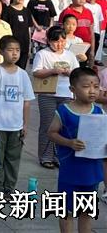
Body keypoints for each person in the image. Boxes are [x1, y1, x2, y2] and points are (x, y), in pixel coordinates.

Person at [47, 67, 105, 233]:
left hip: (92, 172)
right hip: (70, 171)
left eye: (96, 86)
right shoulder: (64, 111)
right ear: (72, 89)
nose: (92, 91)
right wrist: (69, 142)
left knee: (86, 211)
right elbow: (51, 133)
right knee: (66, 211)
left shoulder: (99, 112)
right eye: (86, 86)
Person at [0, 36, 35, 195]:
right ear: (1, 52)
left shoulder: (23, 75)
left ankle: (9, 188)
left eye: (17, 50)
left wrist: (25, 124)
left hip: (15, 125)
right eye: (10, 50)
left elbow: (26, 101)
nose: (14, 54)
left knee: (13, 159)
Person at [32, 25, 80, 169]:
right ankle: (45, 156)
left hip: (66, 94)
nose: (59, 44)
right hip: (48, 94)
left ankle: (59, 156)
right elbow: (36, 72)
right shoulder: (42, 54)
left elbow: (77, 73)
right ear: (49, 41)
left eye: (62, 41)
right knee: (47, 125)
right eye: (56, 41)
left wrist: (69, 72)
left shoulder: (69, 55)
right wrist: (53, 71)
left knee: (63, 126)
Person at [2, 0, 32, 69]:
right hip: (11, 47)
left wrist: (29, 48)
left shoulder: (27, 11)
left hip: (24, 46)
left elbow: (29, 29)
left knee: (21, 71)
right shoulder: (7, 11)